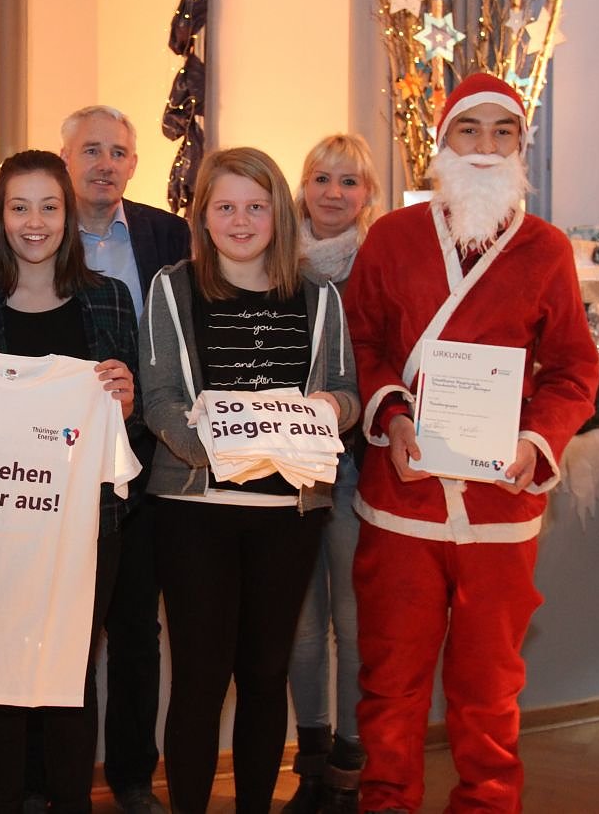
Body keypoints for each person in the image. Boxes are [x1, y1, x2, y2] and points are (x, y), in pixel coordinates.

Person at [343, 73, 599, 814]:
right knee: (390, 682)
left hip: (500, 503)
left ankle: (488, 804)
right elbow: (361, 342)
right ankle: (386, 802)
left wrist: (535, 440)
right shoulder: (392, 237)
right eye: (470, 129)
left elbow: (574, 368)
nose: (486, 146)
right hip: (403, 498)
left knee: (490, 686)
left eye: (503, 132)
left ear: (521, 146)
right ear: (442, 142)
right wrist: (392, 415)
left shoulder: (546, 248)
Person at [138, 147, 359, 813]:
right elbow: (160, 398)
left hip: (288, 514)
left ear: (278, 214)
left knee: (265, 676)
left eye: (256, 207)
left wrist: (329, 408)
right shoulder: (172, 288)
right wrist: (218, 448)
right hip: (193, 509)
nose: (241, 221)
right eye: (226, 206)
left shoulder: (318, 296)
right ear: (203, 216)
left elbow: (346, 392)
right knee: (200, 681)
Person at [0, 149, 138, 814]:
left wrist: (126, 397)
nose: (35, 223)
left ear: (68, 214)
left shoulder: (109, 299)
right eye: (19, 207)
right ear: (0, 217)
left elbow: (131, 416)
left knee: (72, 671)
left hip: (89, 525)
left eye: (49, 207)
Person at [59, 105, 190, 814]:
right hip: (59, 456)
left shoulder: (167, 235)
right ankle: (59, 781)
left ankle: (134, 777)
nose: (105, 164)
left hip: (146, 453)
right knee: (67, 625)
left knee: (138, 625)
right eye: (91, 150)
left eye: (118, 152)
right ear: (65, 158)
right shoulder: (41, 225)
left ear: (134, 164)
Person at [283, 134, 383, 814]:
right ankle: (312, 767)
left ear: (367, 194)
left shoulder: (381, 263)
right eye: (322, 178)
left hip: (356, 466)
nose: (334, 193)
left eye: (349, 181)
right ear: (303, 187)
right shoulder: (272, 262)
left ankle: (351, 766)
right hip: (290, 467)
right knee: (300, 625)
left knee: (354, 621)